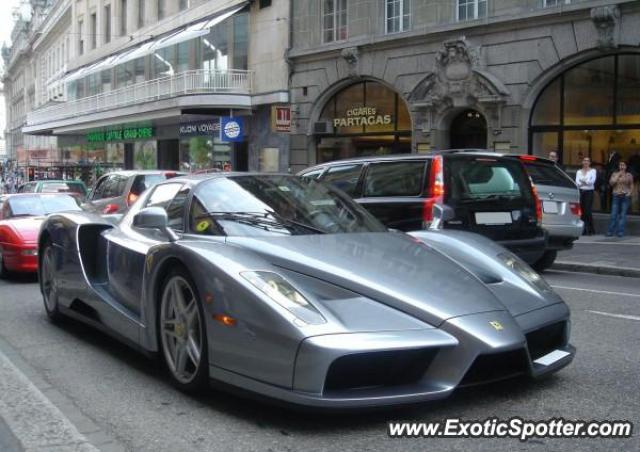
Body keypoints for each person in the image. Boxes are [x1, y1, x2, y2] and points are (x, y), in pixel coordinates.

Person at [606, 161, 634, 237]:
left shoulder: (629, 175)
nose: (622, 166)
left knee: (622, 215)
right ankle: (610, 232)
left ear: (626, 167)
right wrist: (618, 175)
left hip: (625, 196)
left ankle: (620, 232)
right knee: (613, 215)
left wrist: (630, 193)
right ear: (619, 166)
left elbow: (631, 185)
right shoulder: (614, 174)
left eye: (623, 165)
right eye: (620, 165)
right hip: (616, 196)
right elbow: (611, 183)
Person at [576, 156, 597, 235]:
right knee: (581, 211)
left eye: (587, 161)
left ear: (590, 163)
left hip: (589, 192)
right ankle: (583, 230)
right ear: (582, 162)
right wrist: (585, 181)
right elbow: (577, 183)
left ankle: (590, 228)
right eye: (584, 160)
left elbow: (591, 182)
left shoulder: (593, 171)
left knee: (587, 211)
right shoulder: (578, 171)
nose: (586, 162)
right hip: (581, 192)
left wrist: (583, 181)